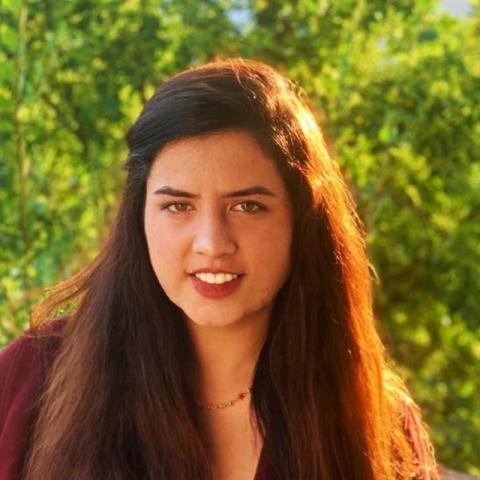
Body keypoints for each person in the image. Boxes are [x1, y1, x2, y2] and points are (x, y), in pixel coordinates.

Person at [0, 58, 439, 480]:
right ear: (140, 217)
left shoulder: (374, 423)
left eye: (248, 206)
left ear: (301, 220)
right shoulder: (33, 375)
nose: (211, 242)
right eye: (177, 206)